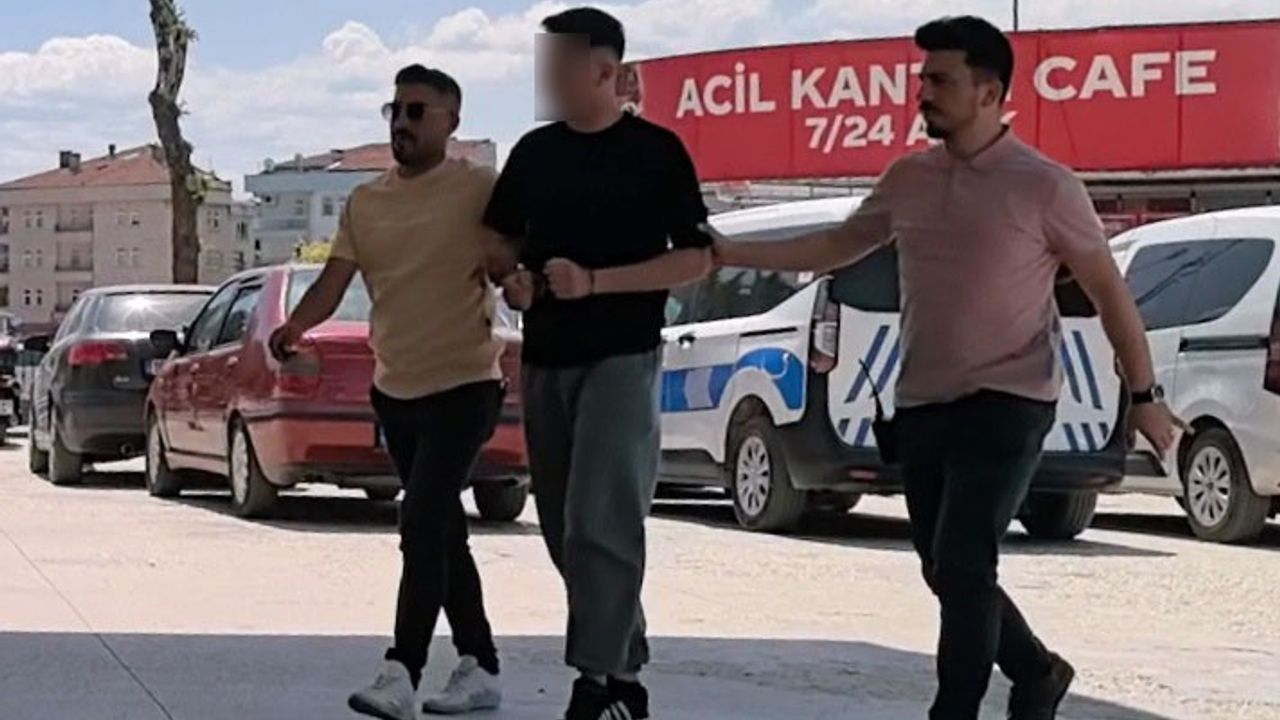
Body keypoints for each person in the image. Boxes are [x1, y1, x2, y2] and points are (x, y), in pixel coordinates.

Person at [713, 16, 1186, 720]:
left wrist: (1143, 394)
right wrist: (728, 252)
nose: (923, 93)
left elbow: (1108, 291)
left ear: (989, 92)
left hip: (1010, 400)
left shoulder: (1045, 186)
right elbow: (837, 245)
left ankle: (954, 711)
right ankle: (1038, 671)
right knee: (945, 568)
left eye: (941, 80)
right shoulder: (909, 178)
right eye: (922, 79)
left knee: (964, 562)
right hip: (923, 402)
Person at [482, 7, 712, 720]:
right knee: (562, 528)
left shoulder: (656, 153)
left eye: (560, 64)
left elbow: (696, 258)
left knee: (599, 521)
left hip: (622, 356)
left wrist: (596, 282)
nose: (547, 77)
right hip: (546, 358)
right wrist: (511, 277)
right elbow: (497, 240)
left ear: (606, 71)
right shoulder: (534, 153)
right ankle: (625, 673)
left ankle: (594, 682)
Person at [269, 65, 509, 720]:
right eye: (395, 110)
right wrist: (293, 328)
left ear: (451, 121)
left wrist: (514, 274)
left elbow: (511, 259)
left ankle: (401, 671)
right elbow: (332, 283)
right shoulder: (365, 202)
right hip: (395, 390)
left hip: (466, 384)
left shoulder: (479, 188)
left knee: (421, 520)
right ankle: (481, 665)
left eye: (416, 111)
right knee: (443, 530)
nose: (402, 122)